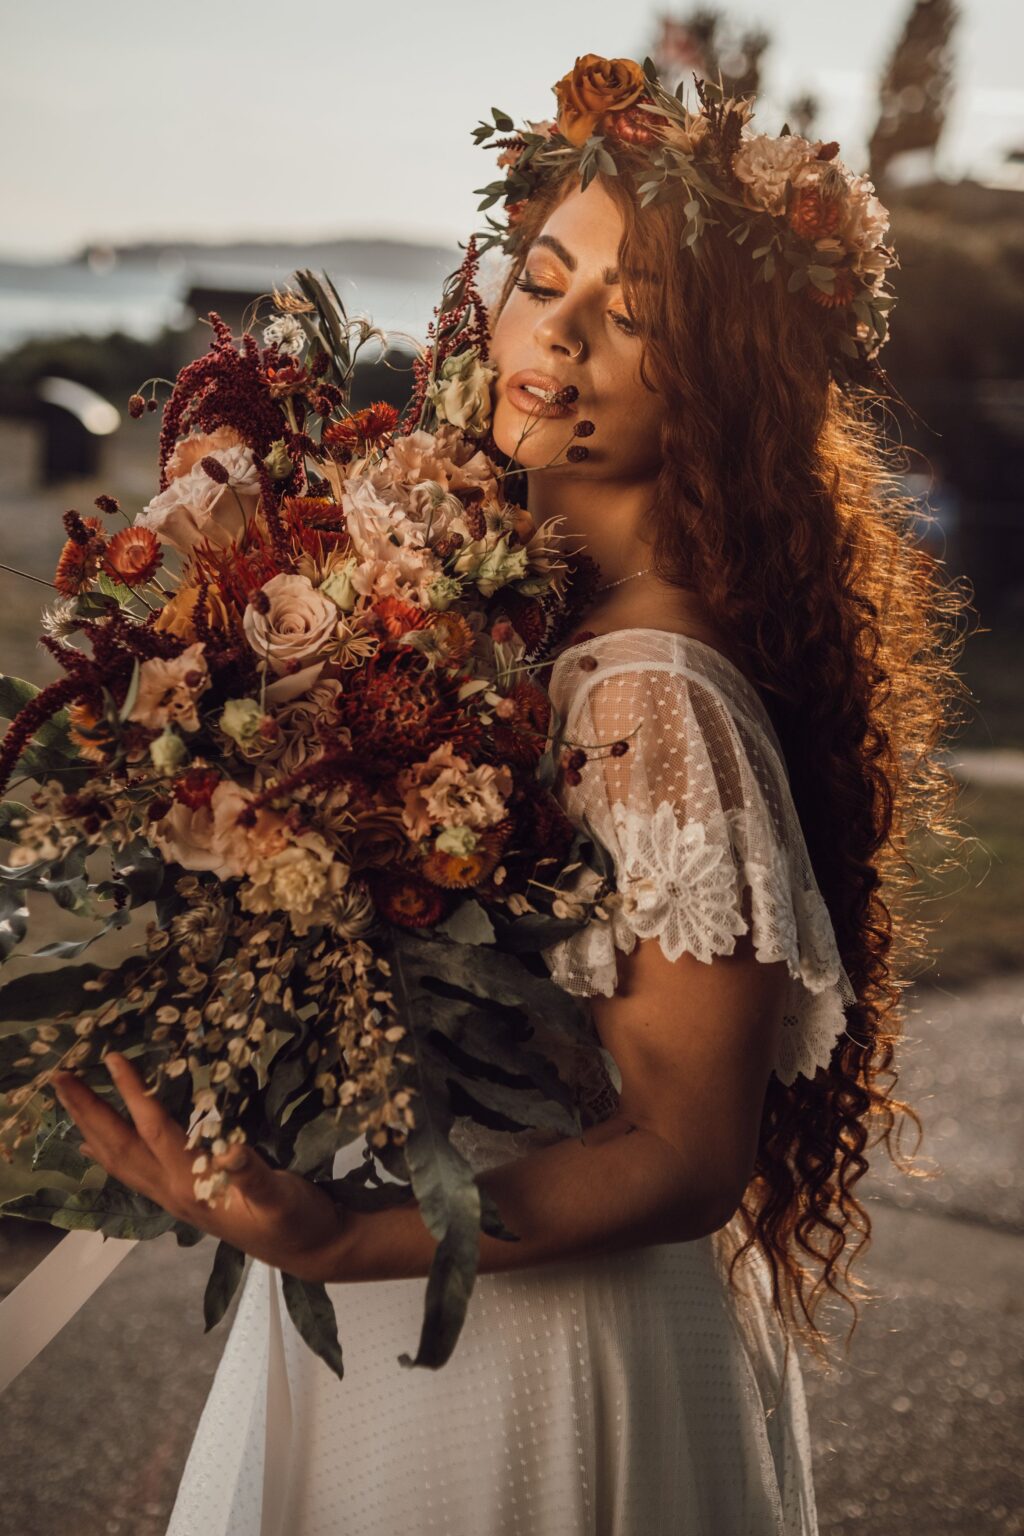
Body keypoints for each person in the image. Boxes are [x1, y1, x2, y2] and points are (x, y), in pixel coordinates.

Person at [53, 56, 965, 1536]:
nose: (562, 340)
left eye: (637, 319)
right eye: (548, 283)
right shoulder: (493, 614)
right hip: (410, 1292)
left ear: (723, 381)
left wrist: (349, 1239)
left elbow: (688, 1152)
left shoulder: (650, 692)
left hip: (513, 1340)